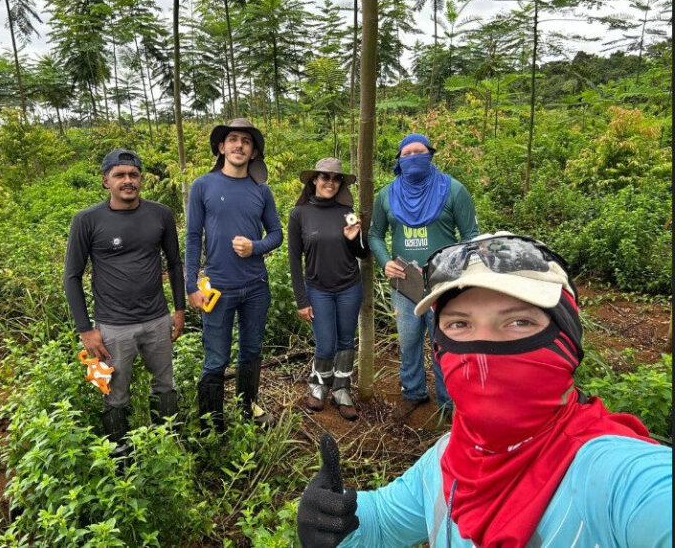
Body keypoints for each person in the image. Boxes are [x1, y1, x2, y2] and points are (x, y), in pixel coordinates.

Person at [296, 232, 673, 548]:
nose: (482, 348)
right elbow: (381, 523)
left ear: (567, 341)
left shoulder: (623, 480)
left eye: (518, 321)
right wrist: (336, 521)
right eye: (459, 324)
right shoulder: (448, 458)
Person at [64, 148, 186, 454]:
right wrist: (85, 330)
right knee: (115, 395)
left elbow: (174, 263)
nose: (127, 181)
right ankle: (120, 457)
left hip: (157, 320)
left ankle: (165, 445)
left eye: (133, 175)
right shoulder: (87, 220)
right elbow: (72, 277)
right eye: (119, 175)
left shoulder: (160, 215)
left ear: (141, 179)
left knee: (165, 386)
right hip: (112, 328)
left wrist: (179, 309)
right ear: (106, 181)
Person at [368, 133, 478, 419]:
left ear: (430, 155)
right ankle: (413, 392)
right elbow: (375, 235)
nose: (413, 158)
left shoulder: (453, 190)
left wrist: (457, 269)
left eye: (419, 152)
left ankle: (448, 401)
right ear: (399, 161)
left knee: (444, 342)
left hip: (444, 283)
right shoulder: (386, 195)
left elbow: (471, 236)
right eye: (406, 154)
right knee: (409, 341)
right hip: (404, 283)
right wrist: (384, 262)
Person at [186, 118, 283, 432]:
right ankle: (211, 422)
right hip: (217, 289)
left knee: (252, 350)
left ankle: (247, 407)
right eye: (233, 140)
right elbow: (192, 237)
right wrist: (190, 285)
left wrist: (255, 247)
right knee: (216, 358)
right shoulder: (203, 185)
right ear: (221, 147)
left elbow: (277, 234)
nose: (239, 145)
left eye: (246, 141)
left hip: (256, 287)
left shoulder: (261, 190)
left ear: (254, 152)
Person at [288, 158, 370, 421]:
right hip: (318, 289)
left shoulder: (347, 210)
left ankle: (342, 389)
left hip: (349, 286)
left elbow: (363, 253)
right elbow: (293, 258)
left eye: (336, 179)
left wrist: (353, 238)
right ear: (314, 180)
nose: (330, 183)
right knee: (326, 344)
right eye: (325, 177)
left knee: (346, 342)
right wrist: (301, 299)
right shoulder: (300, 213)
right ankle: (318, 385)